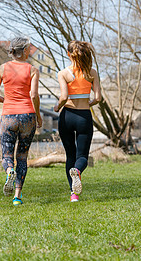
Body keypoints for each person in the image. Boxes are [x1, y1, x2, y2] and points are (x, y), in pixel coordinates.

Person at [0, 36, 43, 206]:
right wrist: (38, 115)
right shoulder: (33, 70)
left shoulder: (2, 68)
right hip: (27, 115)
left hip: (8, 116)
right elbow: (34, 95)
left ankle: (9, 171)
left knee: (7, 154)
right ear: (24, 51)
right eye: (28, 49)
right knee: (22, 156)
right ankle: (17, 197)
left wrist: (4, 100)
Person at [53, 40, 102, 202]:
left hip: (67, 116)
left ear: (69, 54)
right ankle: (77, 172)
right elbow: (98, 98)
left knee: (70, 155)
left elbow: (64, 97)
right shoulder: (92, 73)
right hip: (84, 117)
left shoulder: (63, 73)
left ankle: (73, 194)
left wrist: (57, 107)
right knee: (82, 157)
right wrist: (89, 103)